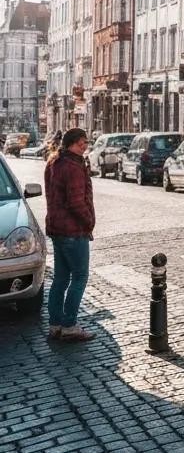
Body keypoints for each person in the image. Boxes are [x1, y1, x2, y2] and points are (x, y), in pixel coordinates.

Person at [44, 127, 96, 342]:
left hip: (57, 229)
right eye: (82, 143)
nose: (85, 146)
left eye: (86, 143)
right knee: (79, 277)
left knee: (61, 278)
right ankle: (70, 325)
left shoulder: (54, 162)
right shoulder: (73, 166)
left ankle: (55, 324)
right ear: (72, 143)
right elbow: (76, 203)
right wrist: (89, 222)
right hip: (74, 231)